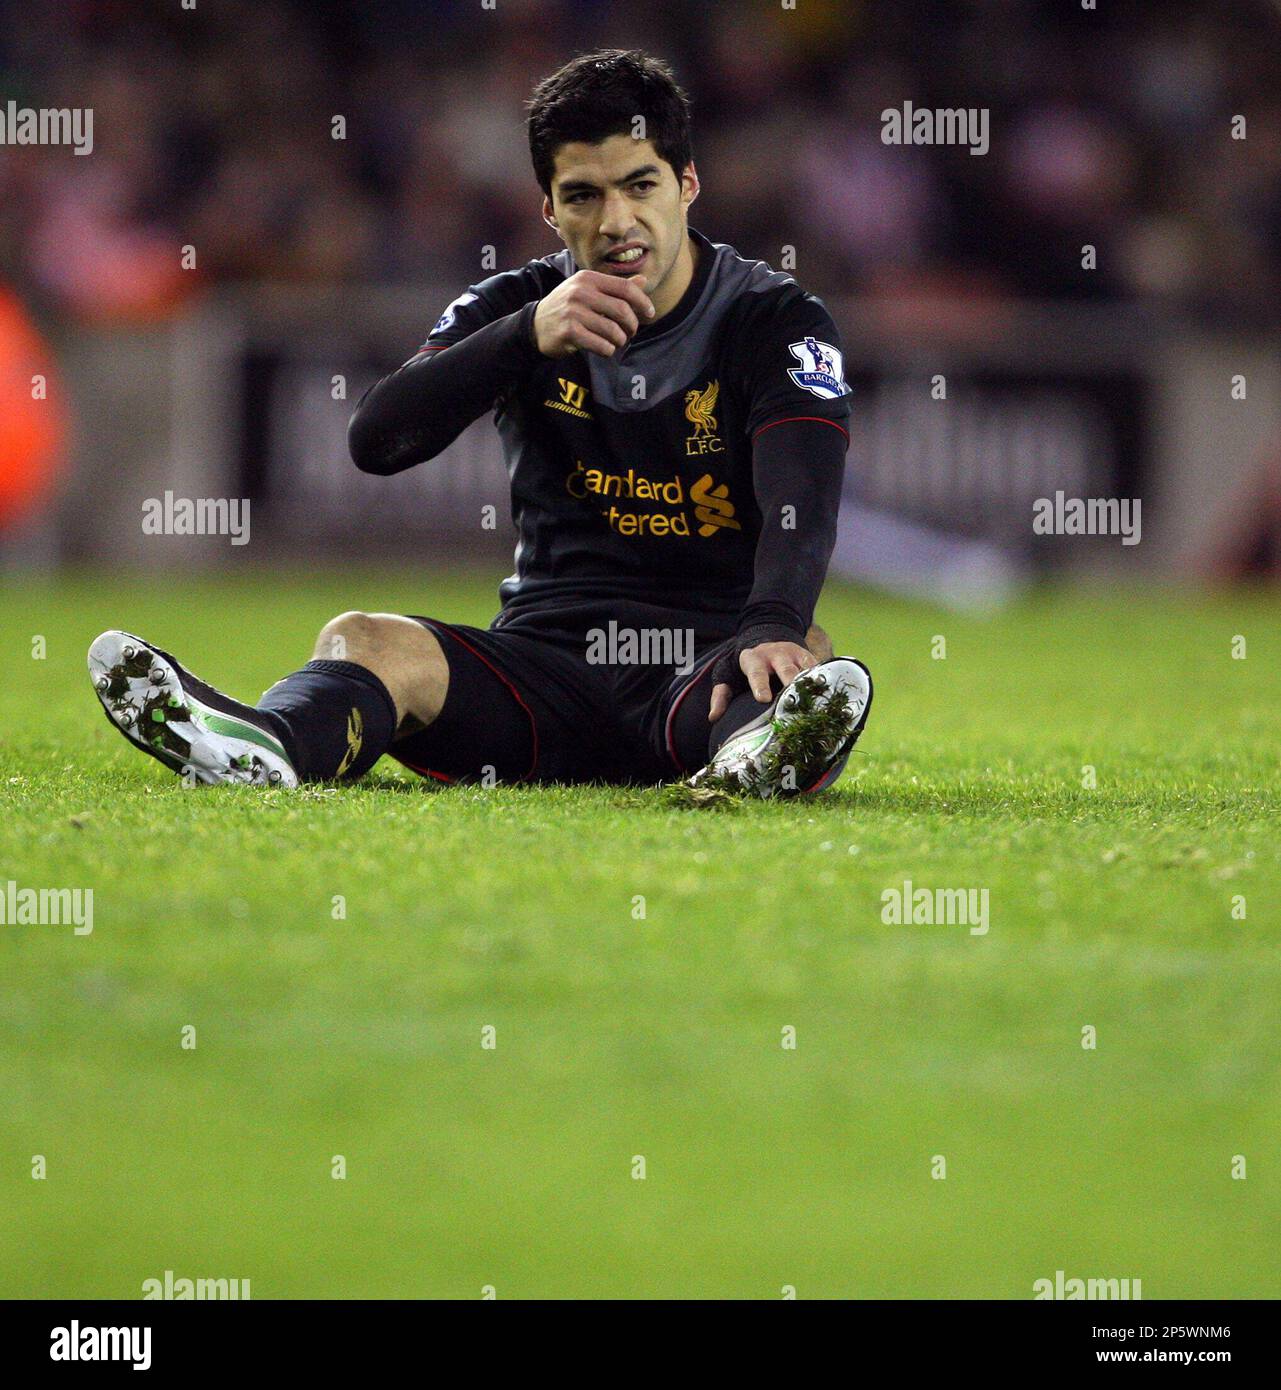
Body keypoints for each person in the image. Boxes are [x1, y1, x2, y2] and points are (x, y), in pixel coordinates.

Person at [89, 50, 872, 798]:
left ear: (687, 183)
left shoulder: (775, 319)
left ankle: (753, 754)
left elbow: (800, 495)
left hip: (699, 669)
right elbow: (377, 442)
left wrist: (771, 622)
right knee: (360, 636)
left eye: (640, 186)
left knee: (797, 655)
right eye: (583, 196)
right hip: (539, 671)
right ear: (547, 207)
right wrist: (525, 337)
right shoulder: (512, 309)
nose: (616, 221)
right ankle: (269, 747)